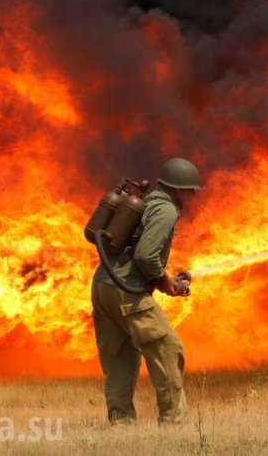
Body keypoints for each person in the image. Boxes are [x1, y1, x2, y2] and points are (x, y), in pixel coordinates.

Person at [91, 157, 201, 425]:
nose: (192, 195)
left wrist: (165, 281)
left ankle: (121, 423)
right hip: (127, 292)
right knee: (168, 349)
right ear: (179, 188)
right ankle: (174, 422)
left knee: (120, 360)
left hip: (103, 286)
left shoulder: (147, 202)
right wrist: (165, 281)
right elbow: (145, 257)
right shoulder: (165, 210)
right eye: (190, 190)